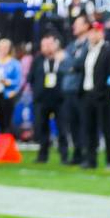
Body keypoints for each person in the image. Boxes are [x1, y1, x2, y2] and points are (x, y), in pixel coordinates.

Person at [80, 22, 110, 170]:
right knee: (89, 129)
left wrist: (107, 93)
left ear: (101, 33)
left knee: (106, 129)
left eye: (95, 32)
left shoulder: (108, 50)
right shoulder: (88, 50)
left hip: (102, 97)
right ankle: (91, 160)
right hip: (88, 94)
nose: (92, 35)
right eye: (90, 32)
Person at [28, 34, 67, 164]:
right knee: (42, 128)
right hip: (41, 100)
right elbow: (31, 78)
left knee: (62, 128)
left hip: (59, 99)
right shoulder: (38, 59)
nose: (46, 47)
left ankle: (64, 155)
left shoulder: (62, 58)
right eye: (44, 45)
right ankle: (42, 155)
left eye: (49, 44)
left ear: (55, 45)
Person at [57, 16, 90, 165]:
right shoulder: (72, 45)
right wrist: (70, 64)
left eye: (77, 24)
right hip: (68, 89)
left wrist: (67, 61)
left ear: (86, 26)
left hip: (80, 89)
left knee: (83, 123)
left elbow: (79, 64)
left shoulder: (88, 44)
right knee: (73, 124)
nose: (73, 27)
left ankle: (85, 153)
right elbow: (62, 67)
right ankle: (77, 153)